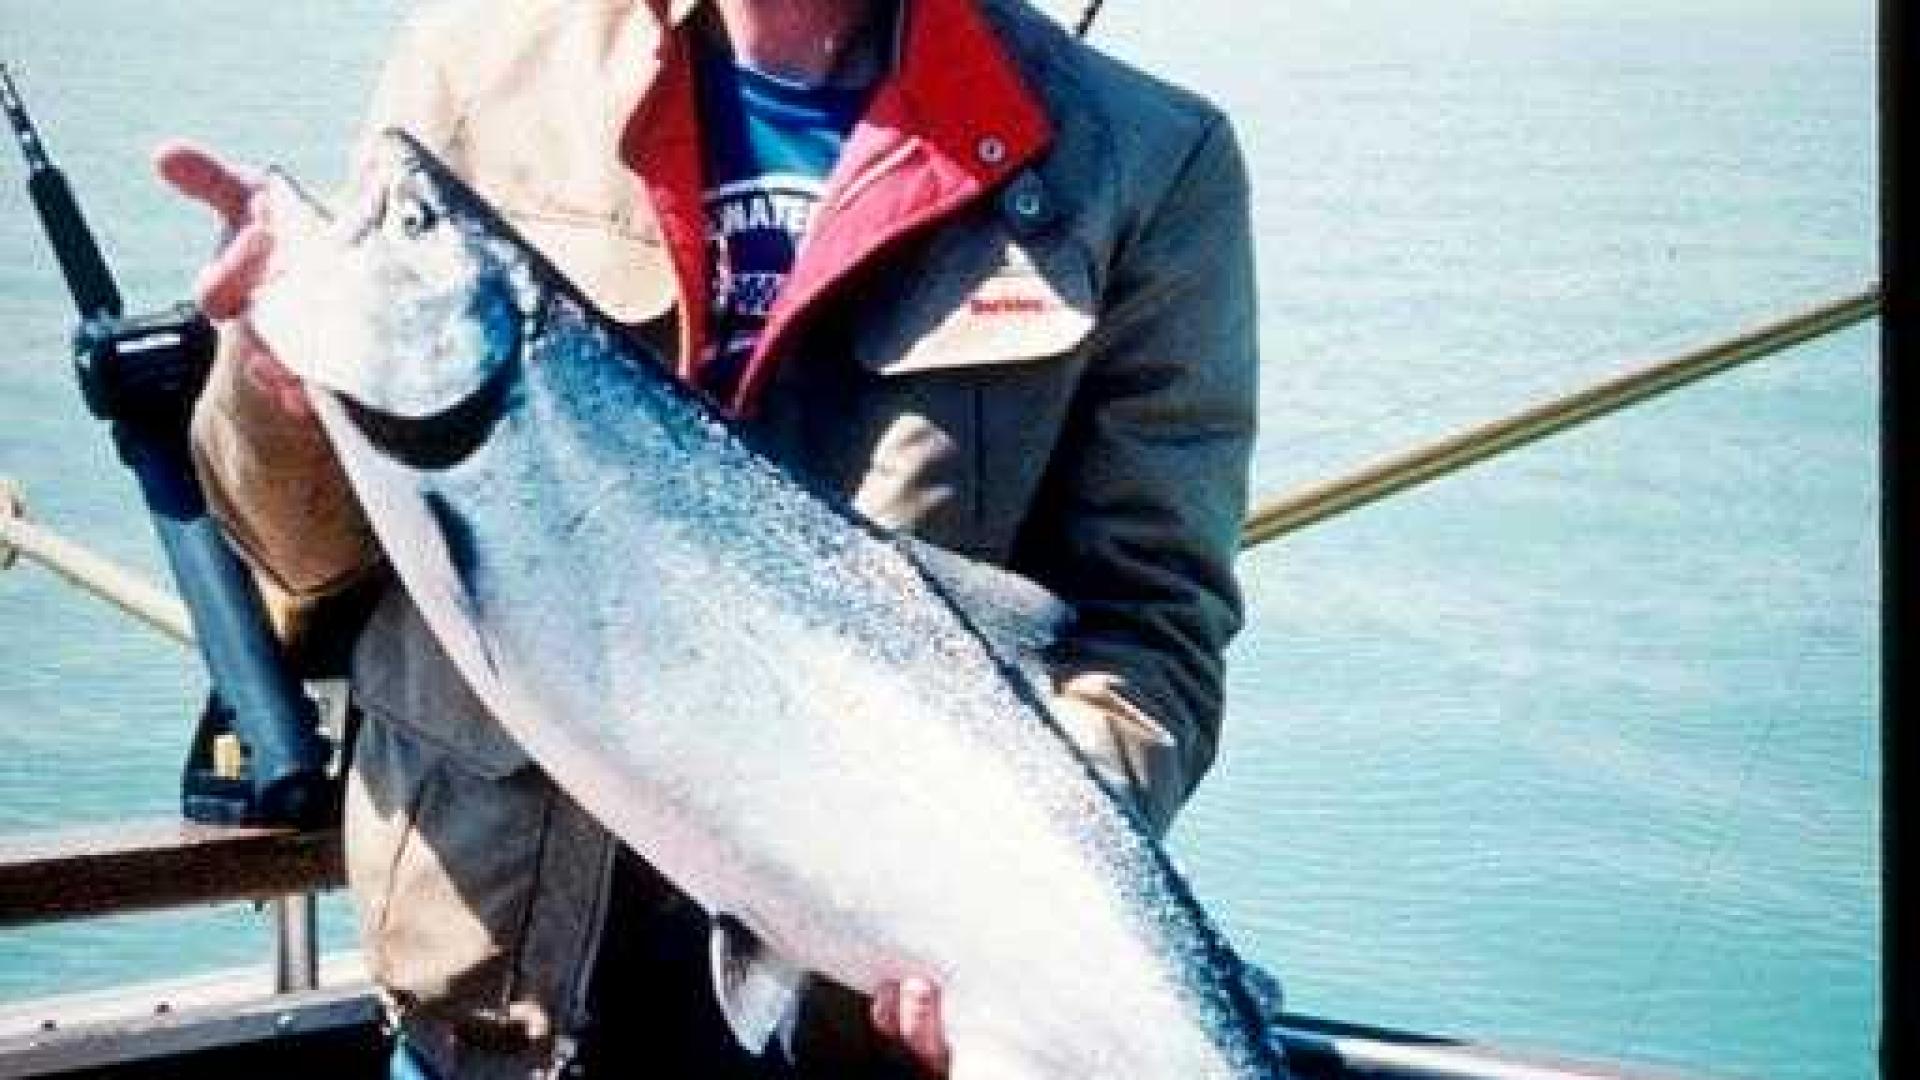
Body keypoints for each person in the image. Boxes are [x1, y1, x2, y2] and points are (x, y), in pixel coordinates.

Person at [160, 0, 1258, 1075]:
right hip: (494, 1022)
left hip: (858, 1034)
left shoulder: (1146, 159)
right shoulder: (481, 60)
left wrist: (1012, 931)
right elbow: (299, 560)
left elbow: (1143, 629)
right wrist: (276, 390)